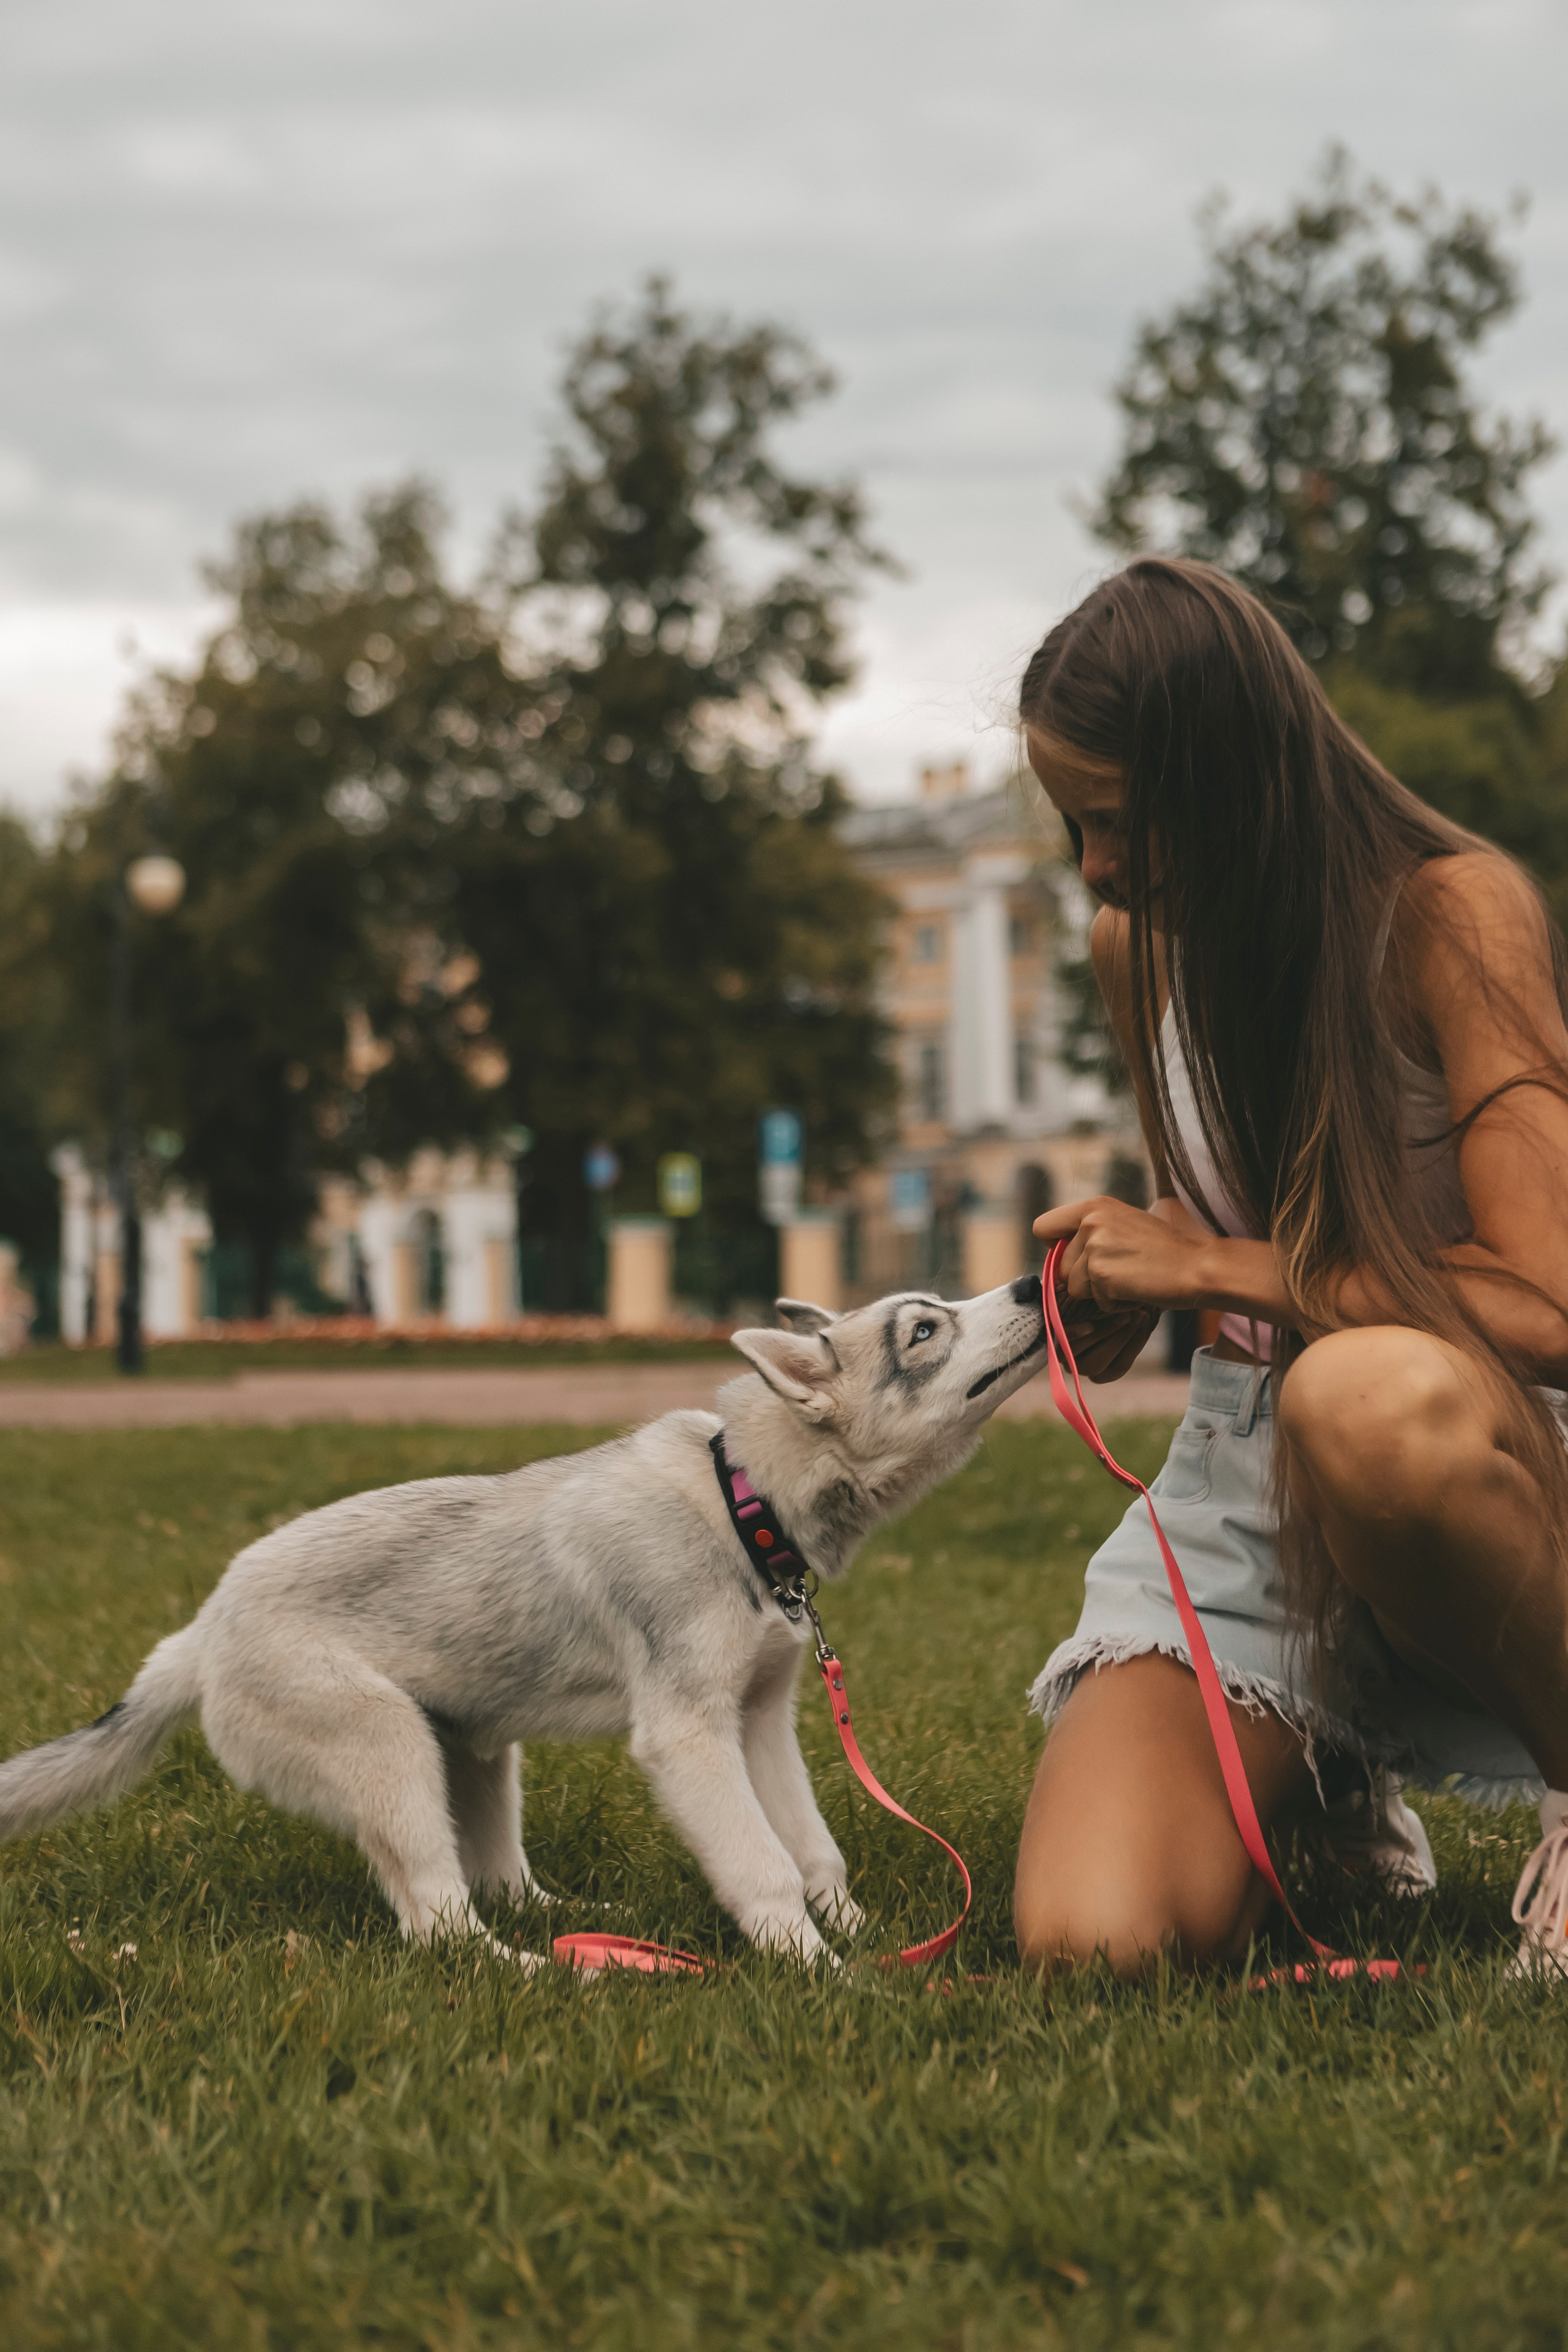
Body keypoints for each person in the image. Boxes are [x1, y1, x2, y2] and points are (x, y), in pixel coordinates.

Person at [1012, 558, 1568, 1979]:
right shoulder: (1135, 952)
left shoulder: (1450, 912)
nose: (1094, 866)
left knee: (1363, 1401)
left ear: (1235, 780)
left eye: (1118, 822)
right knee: (1094, 1942)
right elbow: (1211, 1238)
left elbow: (1545, 1303)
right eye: (1072, 824)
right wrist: (1128, 1287)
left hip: (1475, 1444)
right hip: (1243, 1474)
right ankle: (1322, 1779)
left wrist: (1214, 1258)